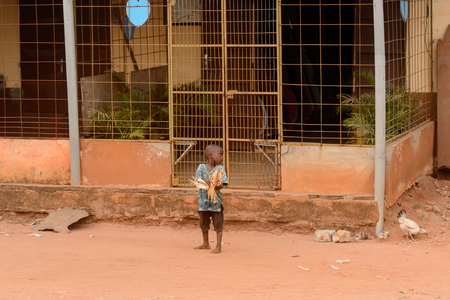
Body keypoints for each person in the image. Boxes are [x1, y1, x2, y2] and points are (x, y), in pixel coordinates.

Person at [194, 144, 228, 254]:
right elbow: (197, 181)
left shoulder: (220, 169)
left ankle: (218, 246)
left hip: (216, 203)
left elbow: (223, 184)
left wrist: (217, 185)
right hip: (203, 202)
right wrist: (206, 182)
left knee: (218, 224)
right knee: (204, 223)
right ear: (210, 155)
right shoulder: (201, 168)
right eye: (220, 155)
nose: (222, 157)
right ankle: (205, 243)